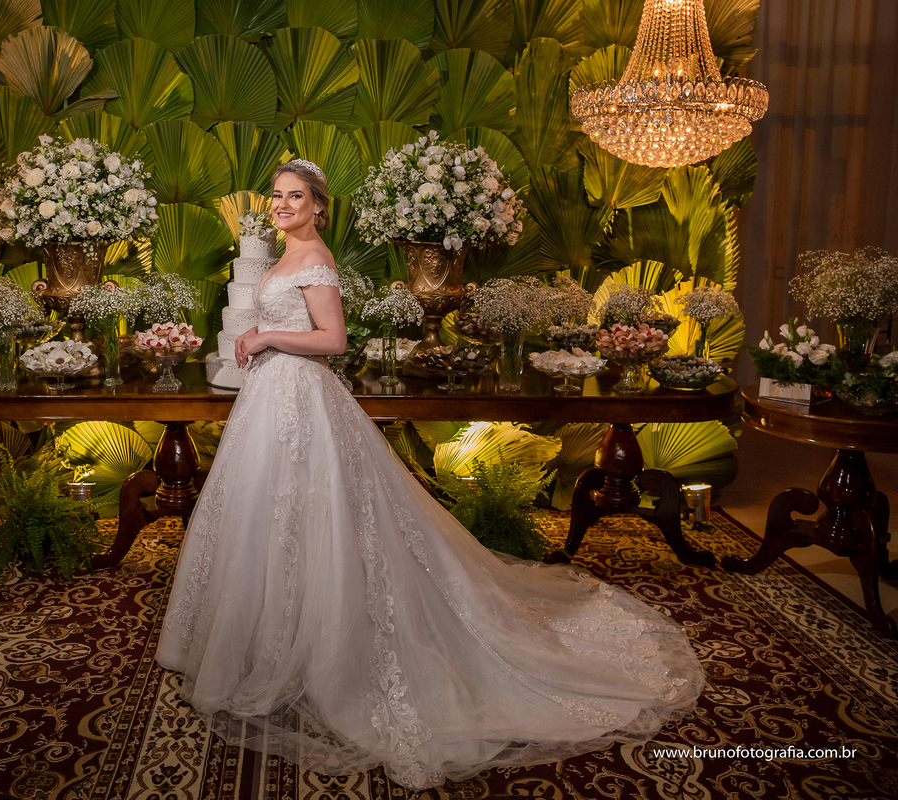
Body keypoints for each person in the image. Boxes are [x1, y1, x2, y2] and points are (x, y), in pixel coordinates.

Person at [154, 160, 704, 790]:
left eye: (294, 196)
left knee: (312, 514)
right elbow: (299, 328)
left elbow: (333, 340)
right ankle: (263, 637)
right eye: (276, 196)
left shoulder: (316, 260)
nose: (281, 205)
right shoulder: (287, 255)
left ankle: (316, 648)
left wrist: (265, 337)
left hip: (299, 393)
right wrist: (262, 335)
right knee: (269, 515)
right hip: (274, 395)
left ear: (318, 206)